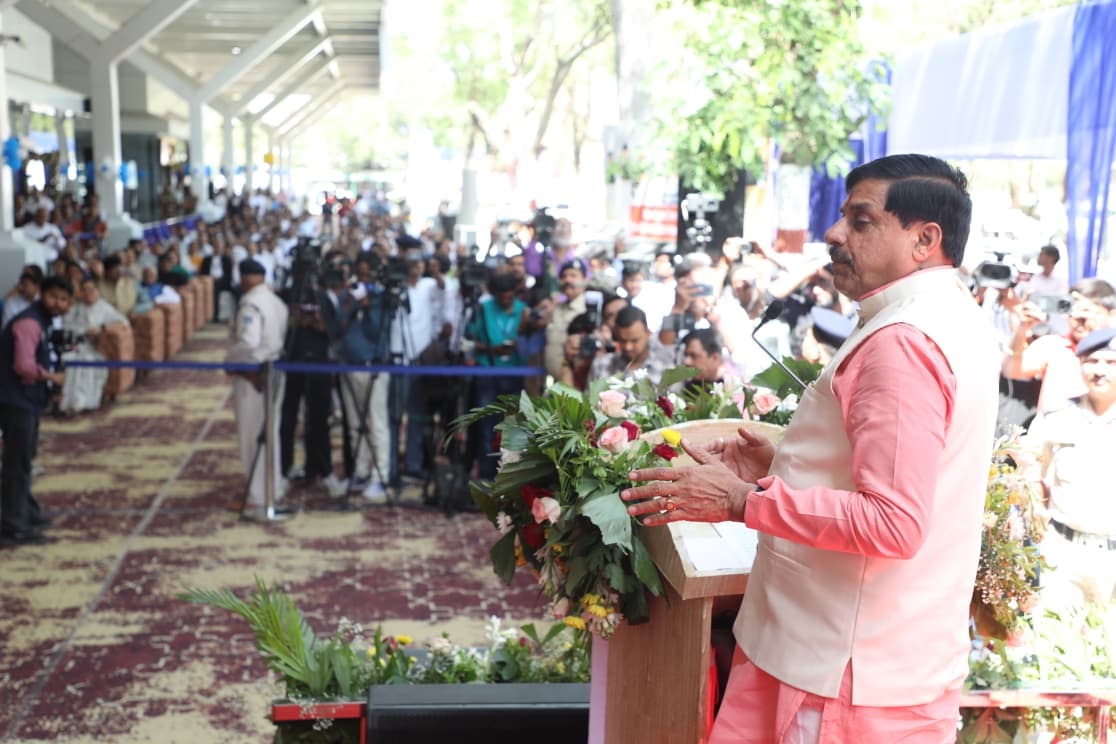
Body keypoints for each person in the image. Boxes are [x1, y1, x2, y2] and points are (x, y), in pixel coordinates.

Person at [623, 154, 1000, 743]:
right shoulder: (947, 314)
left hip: (840, 667)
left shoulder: (903, 340)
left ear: (925, 240)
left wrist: (740, 501)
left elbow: (893, 522)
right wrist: (782, 463)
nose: (834, 233)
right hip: (865, 652)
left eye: (861, 220)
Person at [1024, 327, 1116, 608]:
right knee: (1055, 631)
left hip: (1111, 557)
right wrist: (1036, 505)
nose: (1099, 371)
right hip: (1063, 553)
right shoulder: (1058, 417)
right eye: (1092, 361)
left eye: (1110, 362)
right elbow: (1029, 463)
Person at [0, 276, 73, 546]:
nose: (57, 304)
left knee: (24, 458)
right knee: (16, 463)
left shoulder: (43, 322)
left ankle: (26, 512)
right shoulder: (29, 323)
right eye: (53, 296)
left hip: (27, 400)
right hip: (16, 400)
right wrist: (52, 378)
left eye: (63, 300)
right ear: (42, 294)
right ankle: (13, 525)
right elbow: (23, 366)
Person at [225, 258, 290, 518]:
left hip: (253, 374)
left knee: (252, 434)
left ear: (245, 277)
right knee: (270, 432)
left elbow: (248, 342)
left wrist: (232, 361)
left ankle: (257, 496)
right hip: (276, 370)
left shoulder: (251, 303)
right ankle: (273, 487)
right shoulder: (276, 301)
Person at [465, 271, 527, 480]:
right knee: (486, 426)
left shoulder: (523, 310)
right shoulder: (484, 309)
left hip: (516, 373)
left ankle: (510, 475)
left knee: (514, 426)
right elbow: (469, 339)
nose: (505, 297)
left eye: (509, 293)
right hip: (487, 373)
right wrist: (492, 349)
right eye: (501, 293)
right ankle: (486, 475)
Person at [59, 276, 128, 414]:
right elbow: (65, 326)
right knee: (70, 359)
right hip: (74, 344)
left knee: (88, 361)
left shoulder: (104, 307)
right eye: (85, 290)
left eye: (91, 289)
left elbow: (123, 322)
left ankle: (84, 401)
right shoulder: (76, 308)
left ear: (97, 291)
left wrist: (102, 328)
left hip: (94, 347)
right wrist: (82, 331)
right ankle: (71, 401)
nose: (88, 293)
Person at [588, 305, 675, 385]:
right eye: (622, 340)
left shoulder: (666, 368)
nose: (628, 347)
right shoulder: (601, 365)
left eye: (634, 340)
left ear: (648, 333)